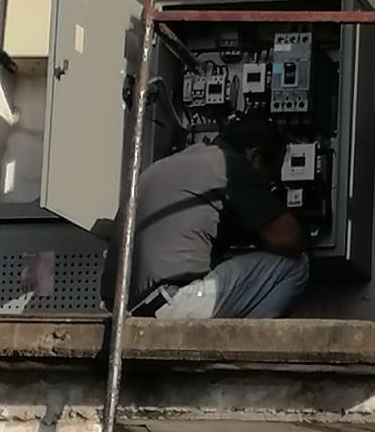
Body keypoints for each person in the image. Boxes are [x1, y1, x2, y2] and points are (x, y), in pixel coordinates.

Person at [103, 115, 309, 320]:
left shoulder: (172, 163)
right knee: (297, 266)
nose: (266, 186)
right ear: (254, 155)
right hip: (171, 302)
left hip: (124, 314)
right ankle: (243, 347)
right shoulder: (229, 165)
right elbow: (289, 239)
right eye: (269, 178)